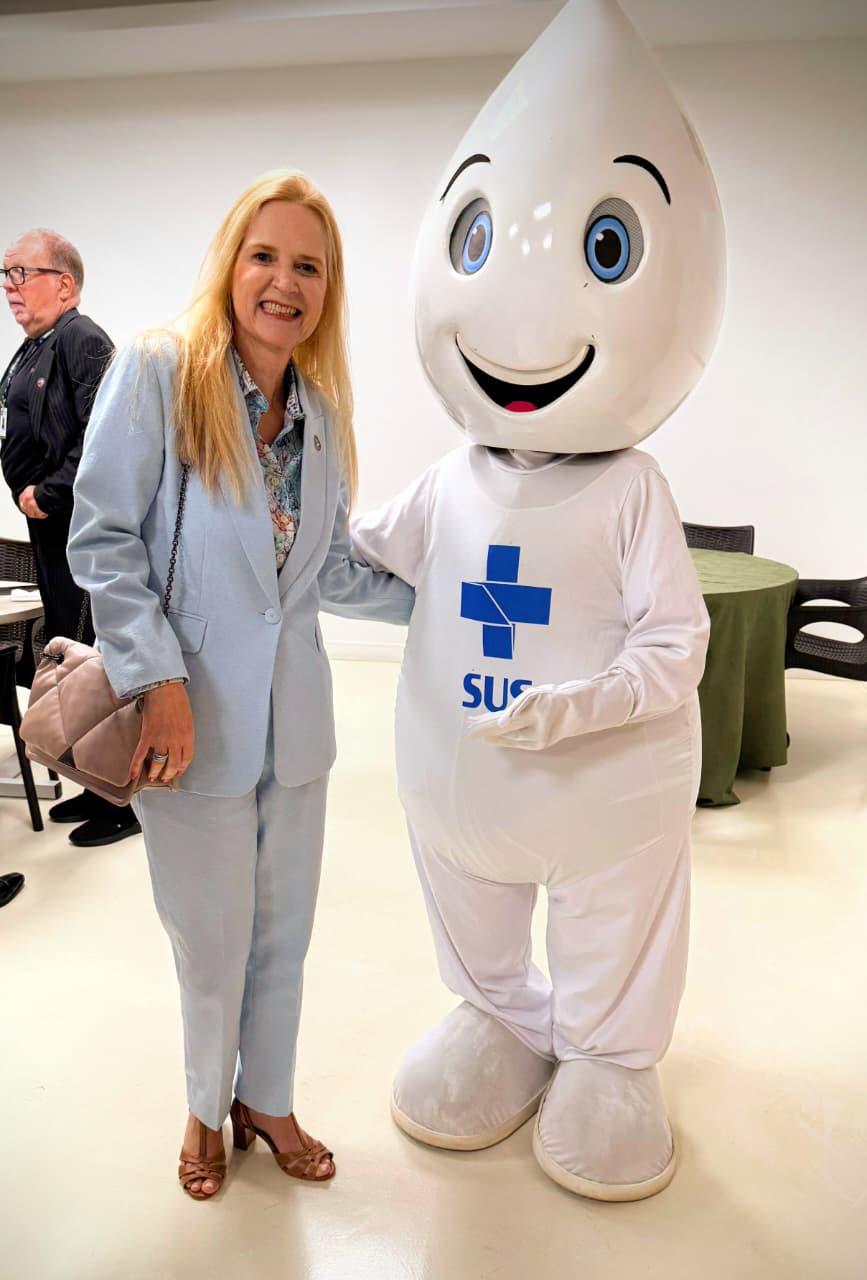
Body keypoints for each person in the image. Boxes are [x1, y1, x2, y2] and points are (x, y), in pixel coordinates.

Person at [349, 0, 723, 1203]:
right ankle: (501, 1014)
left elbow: (676, 640)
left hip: (606, 787)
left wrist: (582, 706)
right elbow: (365, 560)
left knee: (618, 906)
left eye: (607, 249)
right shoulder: (449, 479)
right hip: (462, 783)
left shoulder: (631, 489)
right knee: (471, 894)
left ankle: (608, 1052)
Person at [68, 170, 413, 1200]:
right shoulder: (159, 370)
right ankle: (204, 1106)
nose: (284, 282)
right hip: (186, 724)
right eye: (265, 256)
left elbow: (328, 572)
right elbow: (103, 539)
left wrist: (446, 598)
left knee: (282, 935)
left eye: (309, 265)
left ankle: (268, 1097)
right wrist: (157, 678)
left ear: (328, 289)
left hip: (296, 729)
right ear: (230, 263)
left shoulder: (322, 412)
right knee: (210, 941)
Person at [0, 228, 140, 847]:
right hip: (52, 534)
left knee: (93, 660)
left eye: (21, 273)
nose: (10, 287)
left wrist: (48, 492)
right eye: (5, 275)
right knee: (70, 656)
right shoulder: (33, 348)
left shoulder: (82, 340)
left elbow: (104, 439)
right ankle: (91, 782)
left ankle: (120, 801)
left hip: (79, 532)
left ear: (64, 284)